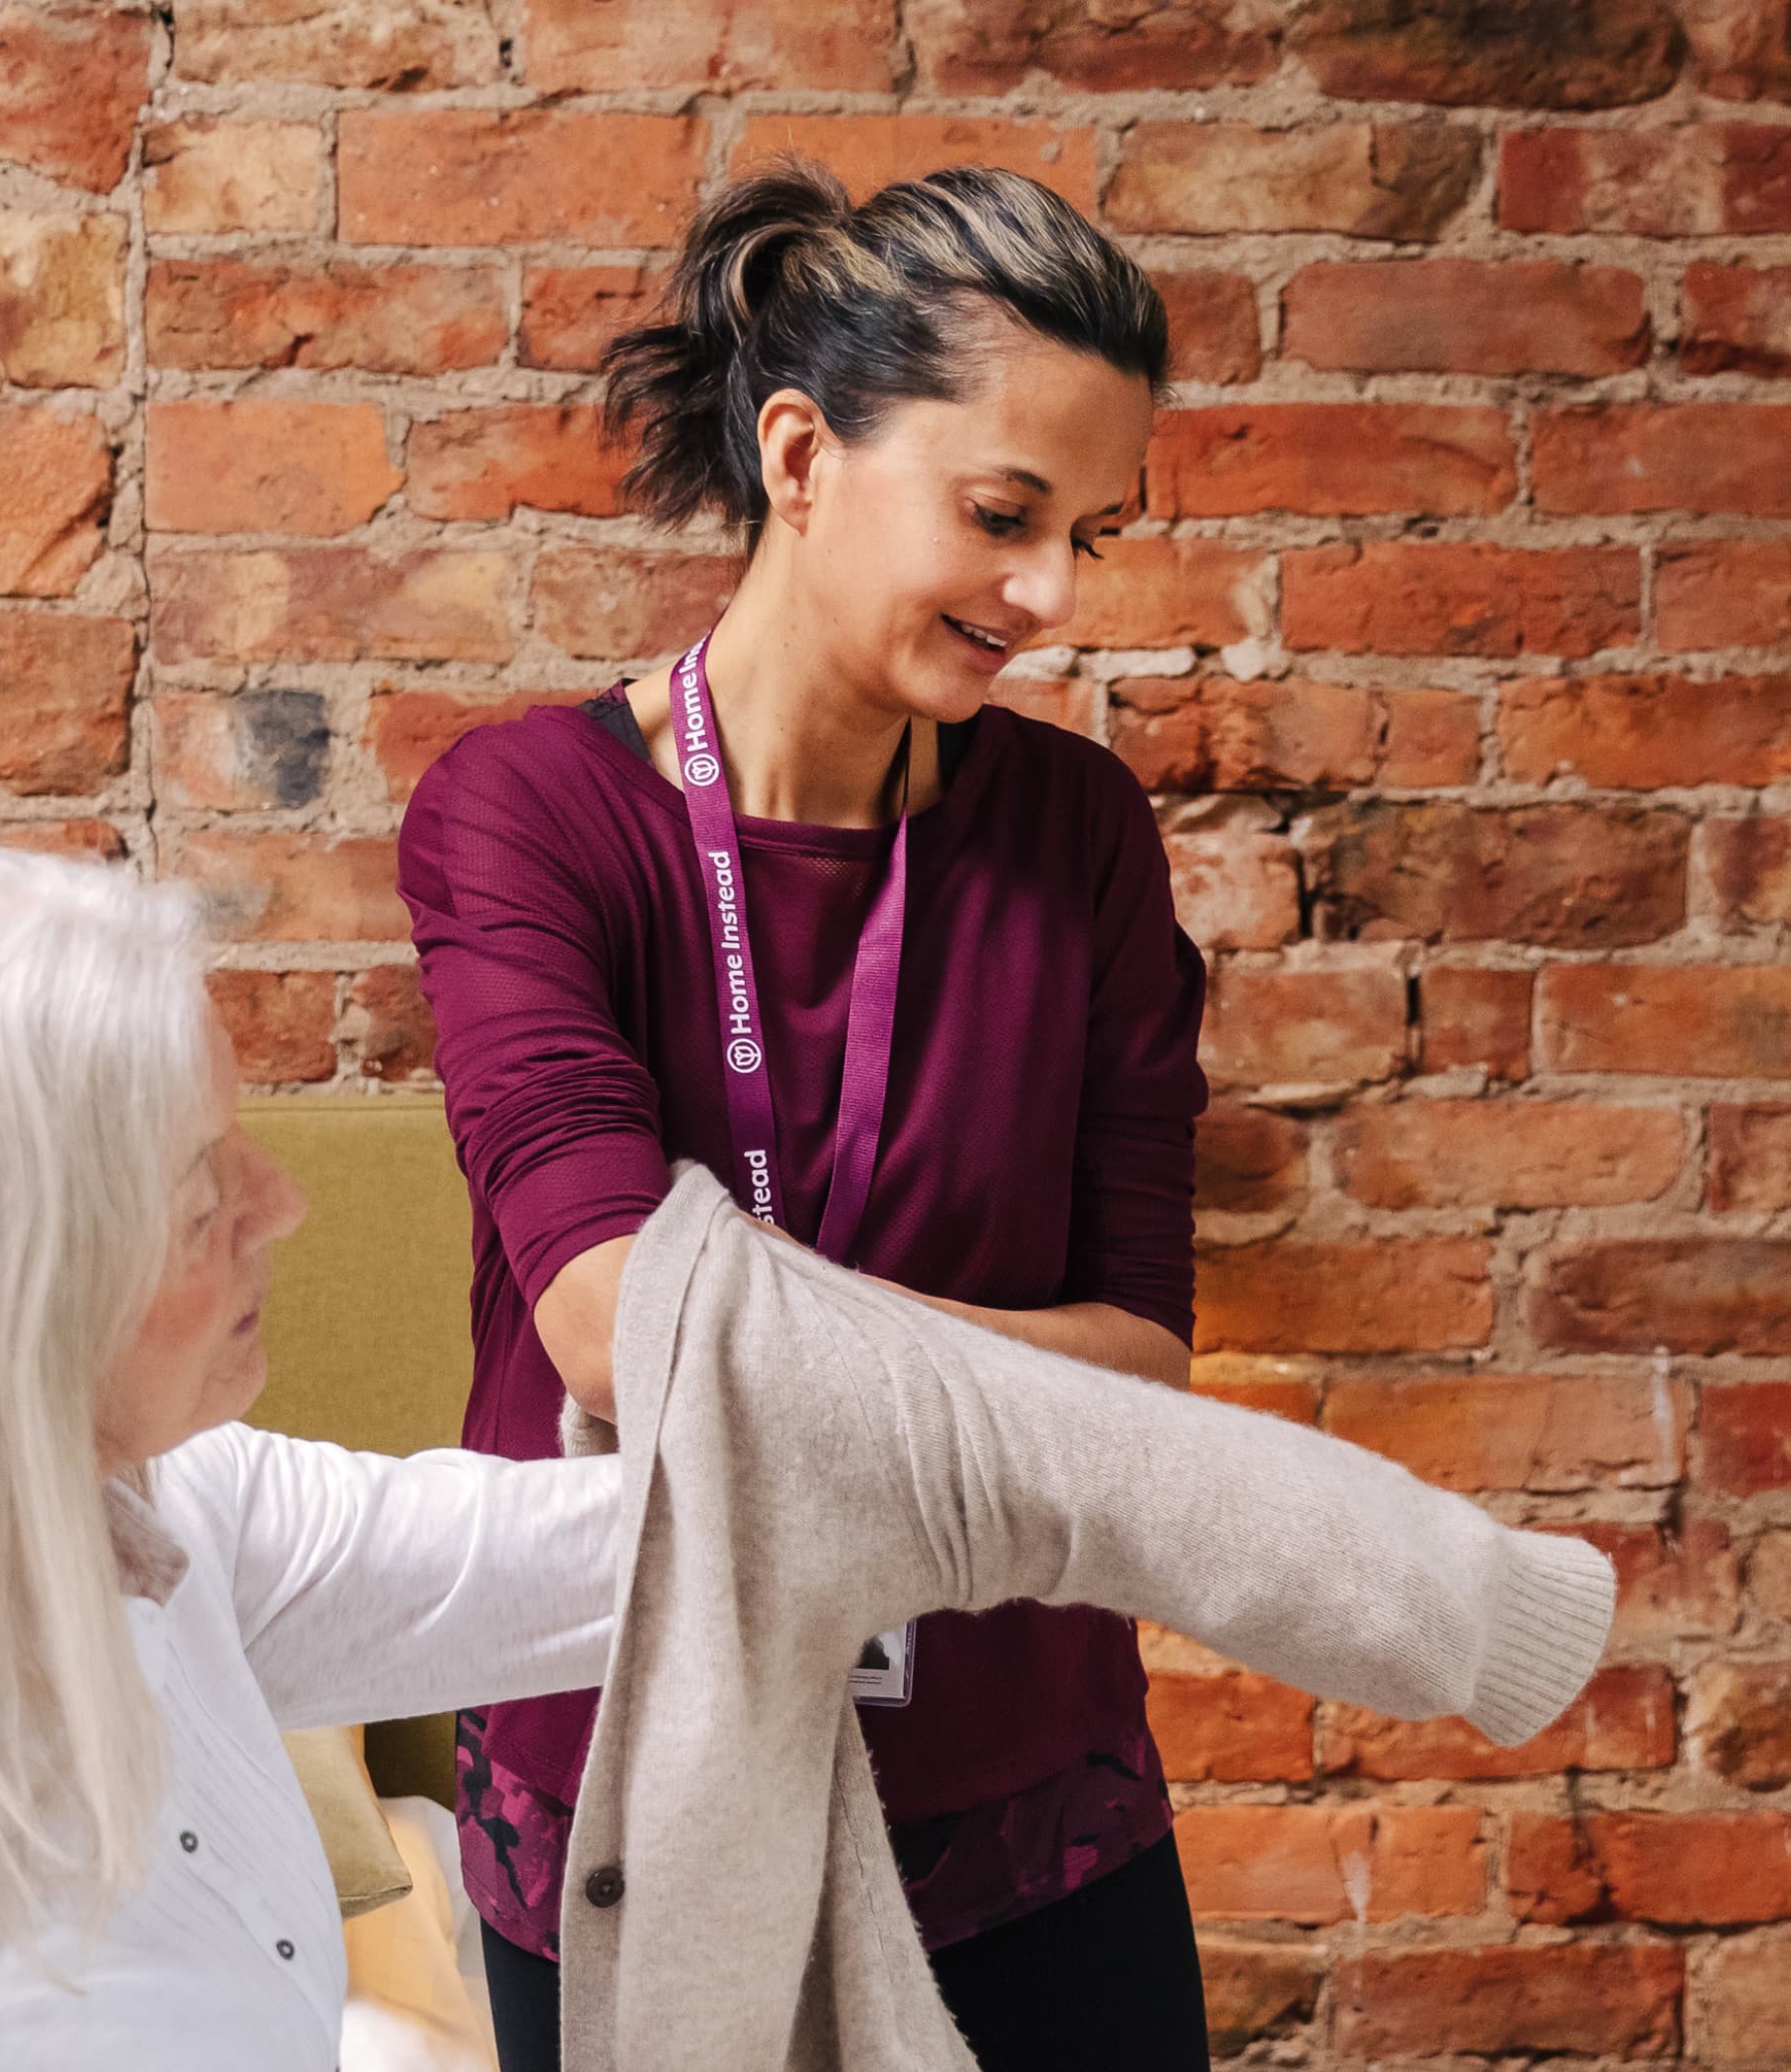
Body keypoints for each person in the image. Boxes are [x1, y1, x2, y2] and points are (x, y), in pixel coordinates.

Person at [398, 159, 1212, 2070]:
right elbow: (603, 1317)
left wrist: (744, 1326)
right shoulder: (528, 812)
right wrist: (989, 1383)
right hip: (630, 1761)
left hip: (1021, 1778)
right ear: (795, 451)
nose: (1051, 594)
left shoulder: (1077, 833)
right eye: (1003, 514)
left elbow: (1142, 1362)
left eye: (1090, 529)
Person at [0, 845, 624, 2071]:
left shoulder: (151, 1499)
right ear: (0, 1296)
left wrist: (940, 1475)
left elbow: (553, 1558)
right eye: (201, 1197)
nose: (282, 1201)